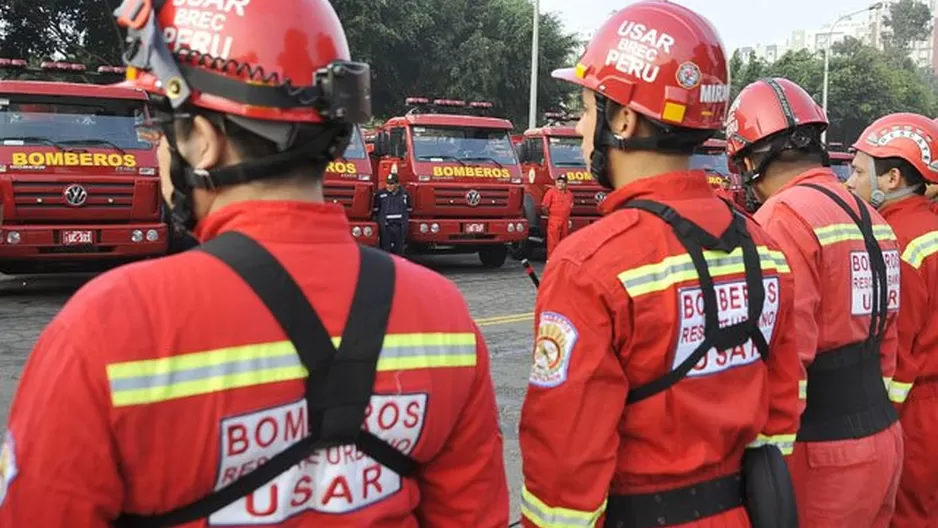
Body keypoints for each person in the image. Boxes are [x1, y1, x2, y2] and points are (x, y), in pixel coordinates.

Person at [0, 0, 510, 526]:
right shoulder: (444, 314)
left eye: (159, 130)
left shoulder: (107, 327)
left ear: (201, 140)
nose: (155, 153)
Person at [519, 3, 803, 527]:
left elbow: (565, 476)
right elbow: (781, 413)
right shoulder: (763, 247)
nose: (580, 130)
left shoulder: (588, 265)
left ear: (622, 118)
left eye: (586, 109)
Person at [725, 77, 903, 528]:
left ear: (751, 160)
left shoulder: (782, 219)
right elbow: (887, 346)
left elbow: (784, 355)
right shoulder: (871, 217)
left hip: (819, 453)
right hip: (883, 440)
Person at [844, 112, 938, 528]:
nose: (849, 182)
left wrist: (877, 423)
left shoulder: (896, 245)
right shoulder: (929, 229)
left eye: (859, 170)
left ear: (893, 179)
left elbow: (898, 353)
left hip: (914, 415)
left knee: (908, 517)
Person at [374, 172, 410, 255]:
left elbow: (408, 209)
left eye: (392, 184)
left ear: (397, 184)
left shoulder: (404, 194)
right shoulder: (380, 194)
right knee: (385, 250)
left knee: (399, 250)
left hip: (399, 227)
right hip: (386, 227)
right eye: (387, 183)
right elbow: (376, 210)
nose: (389, 186)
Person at [540, 173, 573, 257]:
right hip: (554, 219)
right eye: (559, 182)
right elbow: (544, 207)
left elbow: (570, 207)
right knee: (553, 241)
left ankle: (561, 259)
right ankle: (551, 259)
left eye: (563, 182)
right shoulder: (551, 192)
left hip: (565, 220)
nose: (560, 184)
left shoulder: (569, 194)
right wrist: (551, 216)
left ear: (566, 184)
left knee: (564, 242)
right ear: (556, 182)